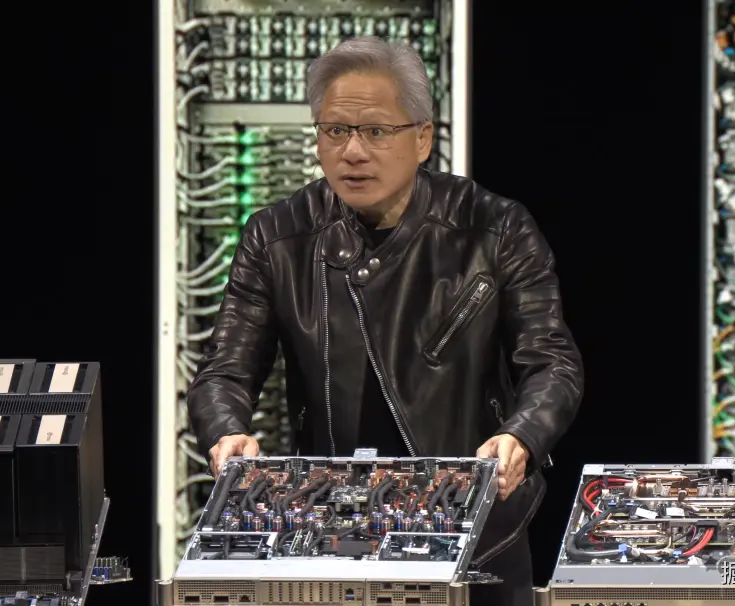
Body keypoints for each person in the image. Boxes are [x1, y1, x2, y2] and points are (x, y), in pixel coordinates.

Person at [187, 36, 584, 605]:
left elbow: (551, 362)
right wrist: (227, 432)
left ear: (422, 138)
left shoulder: (496, 228)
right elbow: (224, 369)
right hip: (330, 526)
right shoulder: (275, 235)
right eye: (335, 130)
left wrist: (520, 435)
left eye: (376, 131)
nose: (353, 151)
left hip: (478, 526)